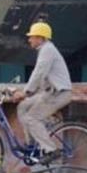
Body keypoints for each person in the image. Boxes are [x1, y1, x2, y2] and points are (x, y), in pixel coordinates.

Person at [11, 21, 72, 164]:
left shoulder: (48, 50)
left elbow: (39, 73)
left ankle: (51, 150)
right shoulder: (45, 50)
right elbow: (42, 78)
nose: (29, 39)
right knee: (23, 107)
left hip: (58, 94)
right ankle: (32, 144)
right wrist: (26, 94)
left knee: (32, 118)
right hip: (50, 93)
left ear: (40, 38)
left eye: (32, 37)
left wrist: (26, 92)